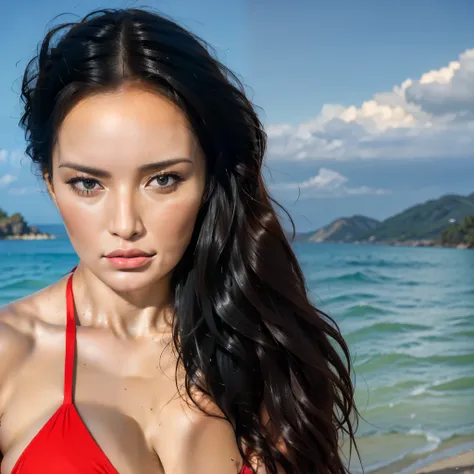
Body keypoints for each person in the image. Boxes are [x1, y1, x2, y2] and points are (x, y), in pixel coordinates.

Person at [0, 8, 359, 474]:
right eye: (88, 184)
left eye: (163, 179)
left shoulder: (268, 347)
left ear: (209, 178)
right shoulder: (11, 351)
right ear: (50, 183)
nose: (125, 223)